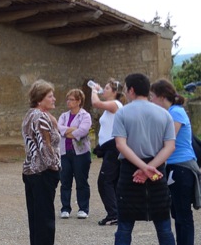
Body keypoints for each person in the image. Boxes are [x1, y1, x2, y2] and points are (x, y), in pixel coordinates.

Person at [113, 73, 176, 245]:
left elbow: (121, 145)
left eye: (126, 89)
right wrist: (150, 168)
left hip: (130, 171)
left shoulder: (122, 113)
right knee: (164, 228)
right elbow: (170, 146)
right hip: (157, 172)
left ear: (131, 90)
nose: (125, 92)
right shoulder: (165, 114)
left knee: (124, 228)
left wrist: (143, 168)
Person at [150, 79, 201, 245]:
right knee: (178, 214)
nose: (151, 101)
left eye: (152, 97)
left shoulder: (176, 113)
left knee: (183, 215)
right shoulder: (170, 112)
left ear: (162, 97)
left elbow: (167, 140)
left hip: (182, 167)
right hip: (174, 167)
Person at [21, 79, 61, 245]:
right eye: (50, 96)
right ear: (40, 99)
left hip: (31, 171)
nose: (54, 99)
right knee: (45, 222)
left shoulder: (30, 115)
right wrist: (54, 169)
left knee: (36, 220)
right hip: (43, 173)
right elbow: (46, 148)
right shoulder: (41, 118)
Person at [90, 78, 125, 226]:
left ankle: (113, 214)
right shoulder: (113, 106)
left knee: (105, 181)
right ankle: (117, 212)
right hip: (110, 148)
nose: (103, 90)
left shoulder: (115, 104)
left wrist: (93, 90)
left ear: (115, 92)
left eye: (107, 88)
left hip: (113, 147)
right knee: (113, 181)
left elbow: (96, 103)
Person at [57, 89, 92, 219]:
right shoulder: (64, 116)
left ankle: (83, 208)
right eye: (68, 99)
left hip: (81, 153)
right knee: (65, 181)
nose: (68, 102)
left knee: (81, 181)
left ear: (78, 101)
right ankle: (65, 208)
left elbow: (83, 131)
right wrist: (70, 131)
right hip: (65, 153)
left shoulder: (85, 116)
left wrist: (68, 133)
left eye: (71, 99)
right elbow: (58, 128)